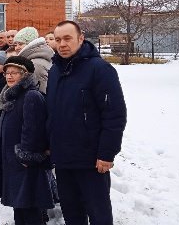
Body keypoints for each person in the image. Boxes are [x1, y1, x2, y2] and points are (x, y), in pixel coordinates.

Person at [47, 20, 127, 225]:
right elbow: (52, 113)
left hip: (91, 160)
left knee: (98, 213)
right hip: (64, 159)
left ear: (80, 38)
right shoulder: (55, 71)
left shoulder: (99, 69)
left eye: (67, 38)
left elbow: (114, 115)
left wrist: (106, 153)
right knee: (72, 213)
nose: (62, 44)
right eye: (57, 40)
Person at [0, 56, 55, 224]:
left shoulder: (31, 96)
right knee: (20, 208)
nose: (9, 76)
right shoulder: (13, 95)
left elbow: (34, 130)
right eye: (7, 73)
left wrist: (26, 157)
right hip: (15, 163)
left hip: (25, 165)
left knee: (30, 209)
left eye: (14, 73)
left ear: (25, 74)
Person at [14, 27, 54, 94]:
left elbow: (42, 93)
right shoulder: (32, 61)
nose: (17, 47)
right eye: (16, 44)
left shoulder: (35, 65)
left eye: (20, 44)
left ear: (30, 44)